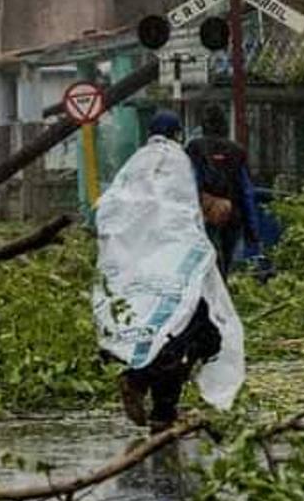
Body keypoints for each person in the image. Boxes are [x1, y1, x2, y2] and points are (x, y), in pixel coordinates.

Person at [92, 110, 245, 430]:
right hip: (181, 264)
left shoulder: (133, 167)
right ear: (178, 134)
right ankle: (154, 399)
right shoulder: (184, 163)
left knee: (163, 328)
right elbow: (205, 208)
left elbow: (108, 213)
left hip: (143, 267)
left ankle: (156, 401)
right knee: (197, 331)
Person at [186, 128, 261, 279]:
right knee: (226, 261)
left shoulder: (194, 148)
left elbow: (190, 182)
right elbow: (246, 191)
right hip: (232, 214)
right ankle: (222, 291)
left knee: (206, 262)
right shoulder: (237, 151)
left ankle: (206, 296)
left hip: (203, 215)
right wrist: (251, 229)